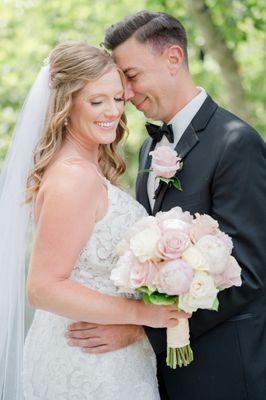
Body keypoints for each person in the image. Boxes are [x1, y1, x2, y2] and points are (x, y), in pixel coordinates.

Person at [67, 11, 266, 400]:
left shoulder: (234, 142)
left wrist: (142, 327)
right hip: (160, 376)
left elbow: (249, 273)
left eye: (132, 75)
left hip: (223, 373)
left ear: (173, 59)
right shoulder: (148, 147)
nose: (124, 92)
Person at [0, 40, 192, 400]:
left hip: (105, 353)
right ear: (66, 104)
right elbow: (43, 287)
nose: (112, 112)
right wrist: (142, 314)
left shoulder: (86, 169)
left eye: (118, 98)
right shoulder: (75, 177)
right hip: (87, 361)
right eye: (96, 100)